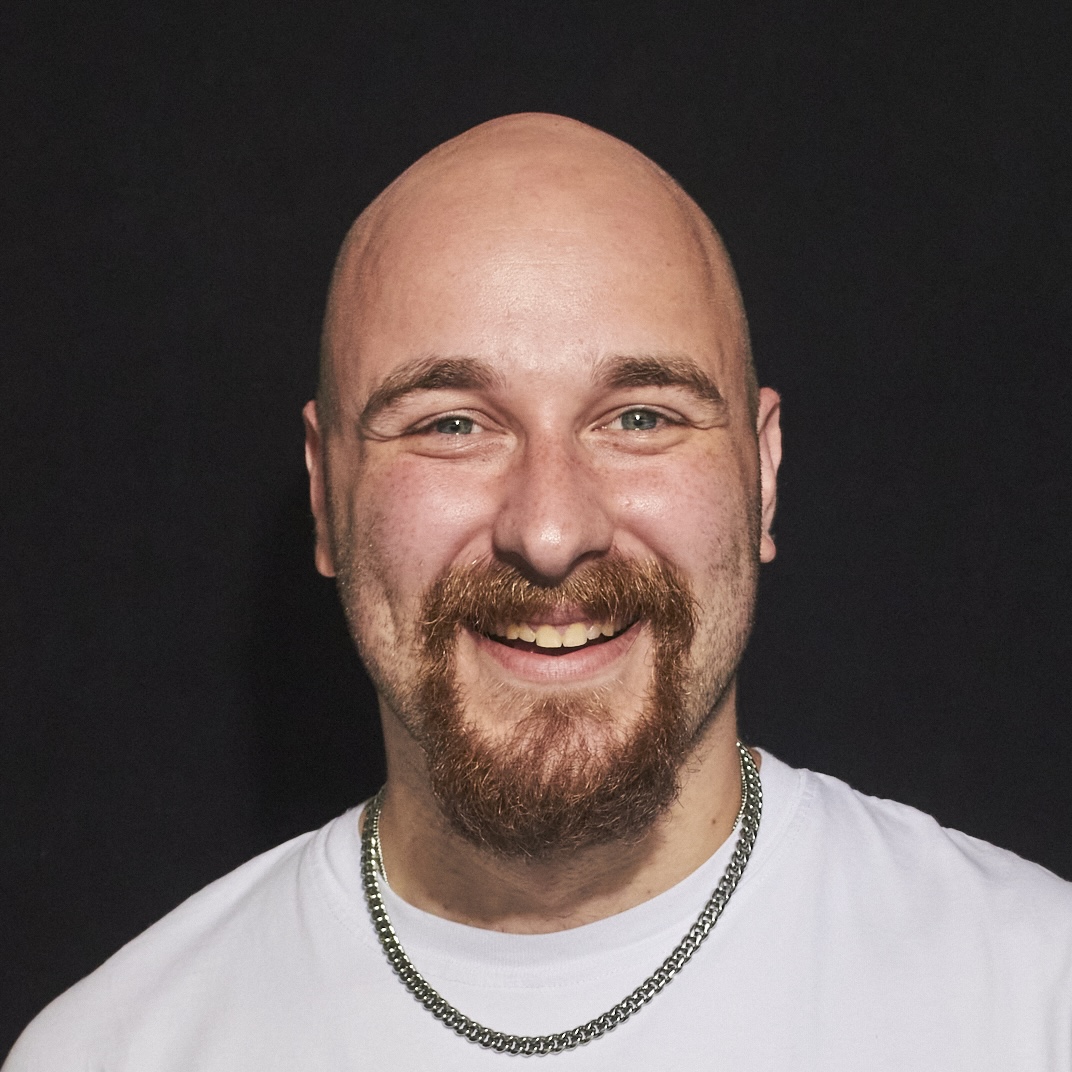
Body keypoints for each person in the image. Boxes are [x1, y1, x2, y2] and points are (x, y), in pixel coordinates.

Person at [6, 113, 1071, 1071]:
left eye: (642, 416)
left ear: (763, 473)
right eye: (451, 423)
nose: (552, 532)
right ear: (327, 494)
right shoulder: (111, 1050)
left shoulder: (1036, 1002)